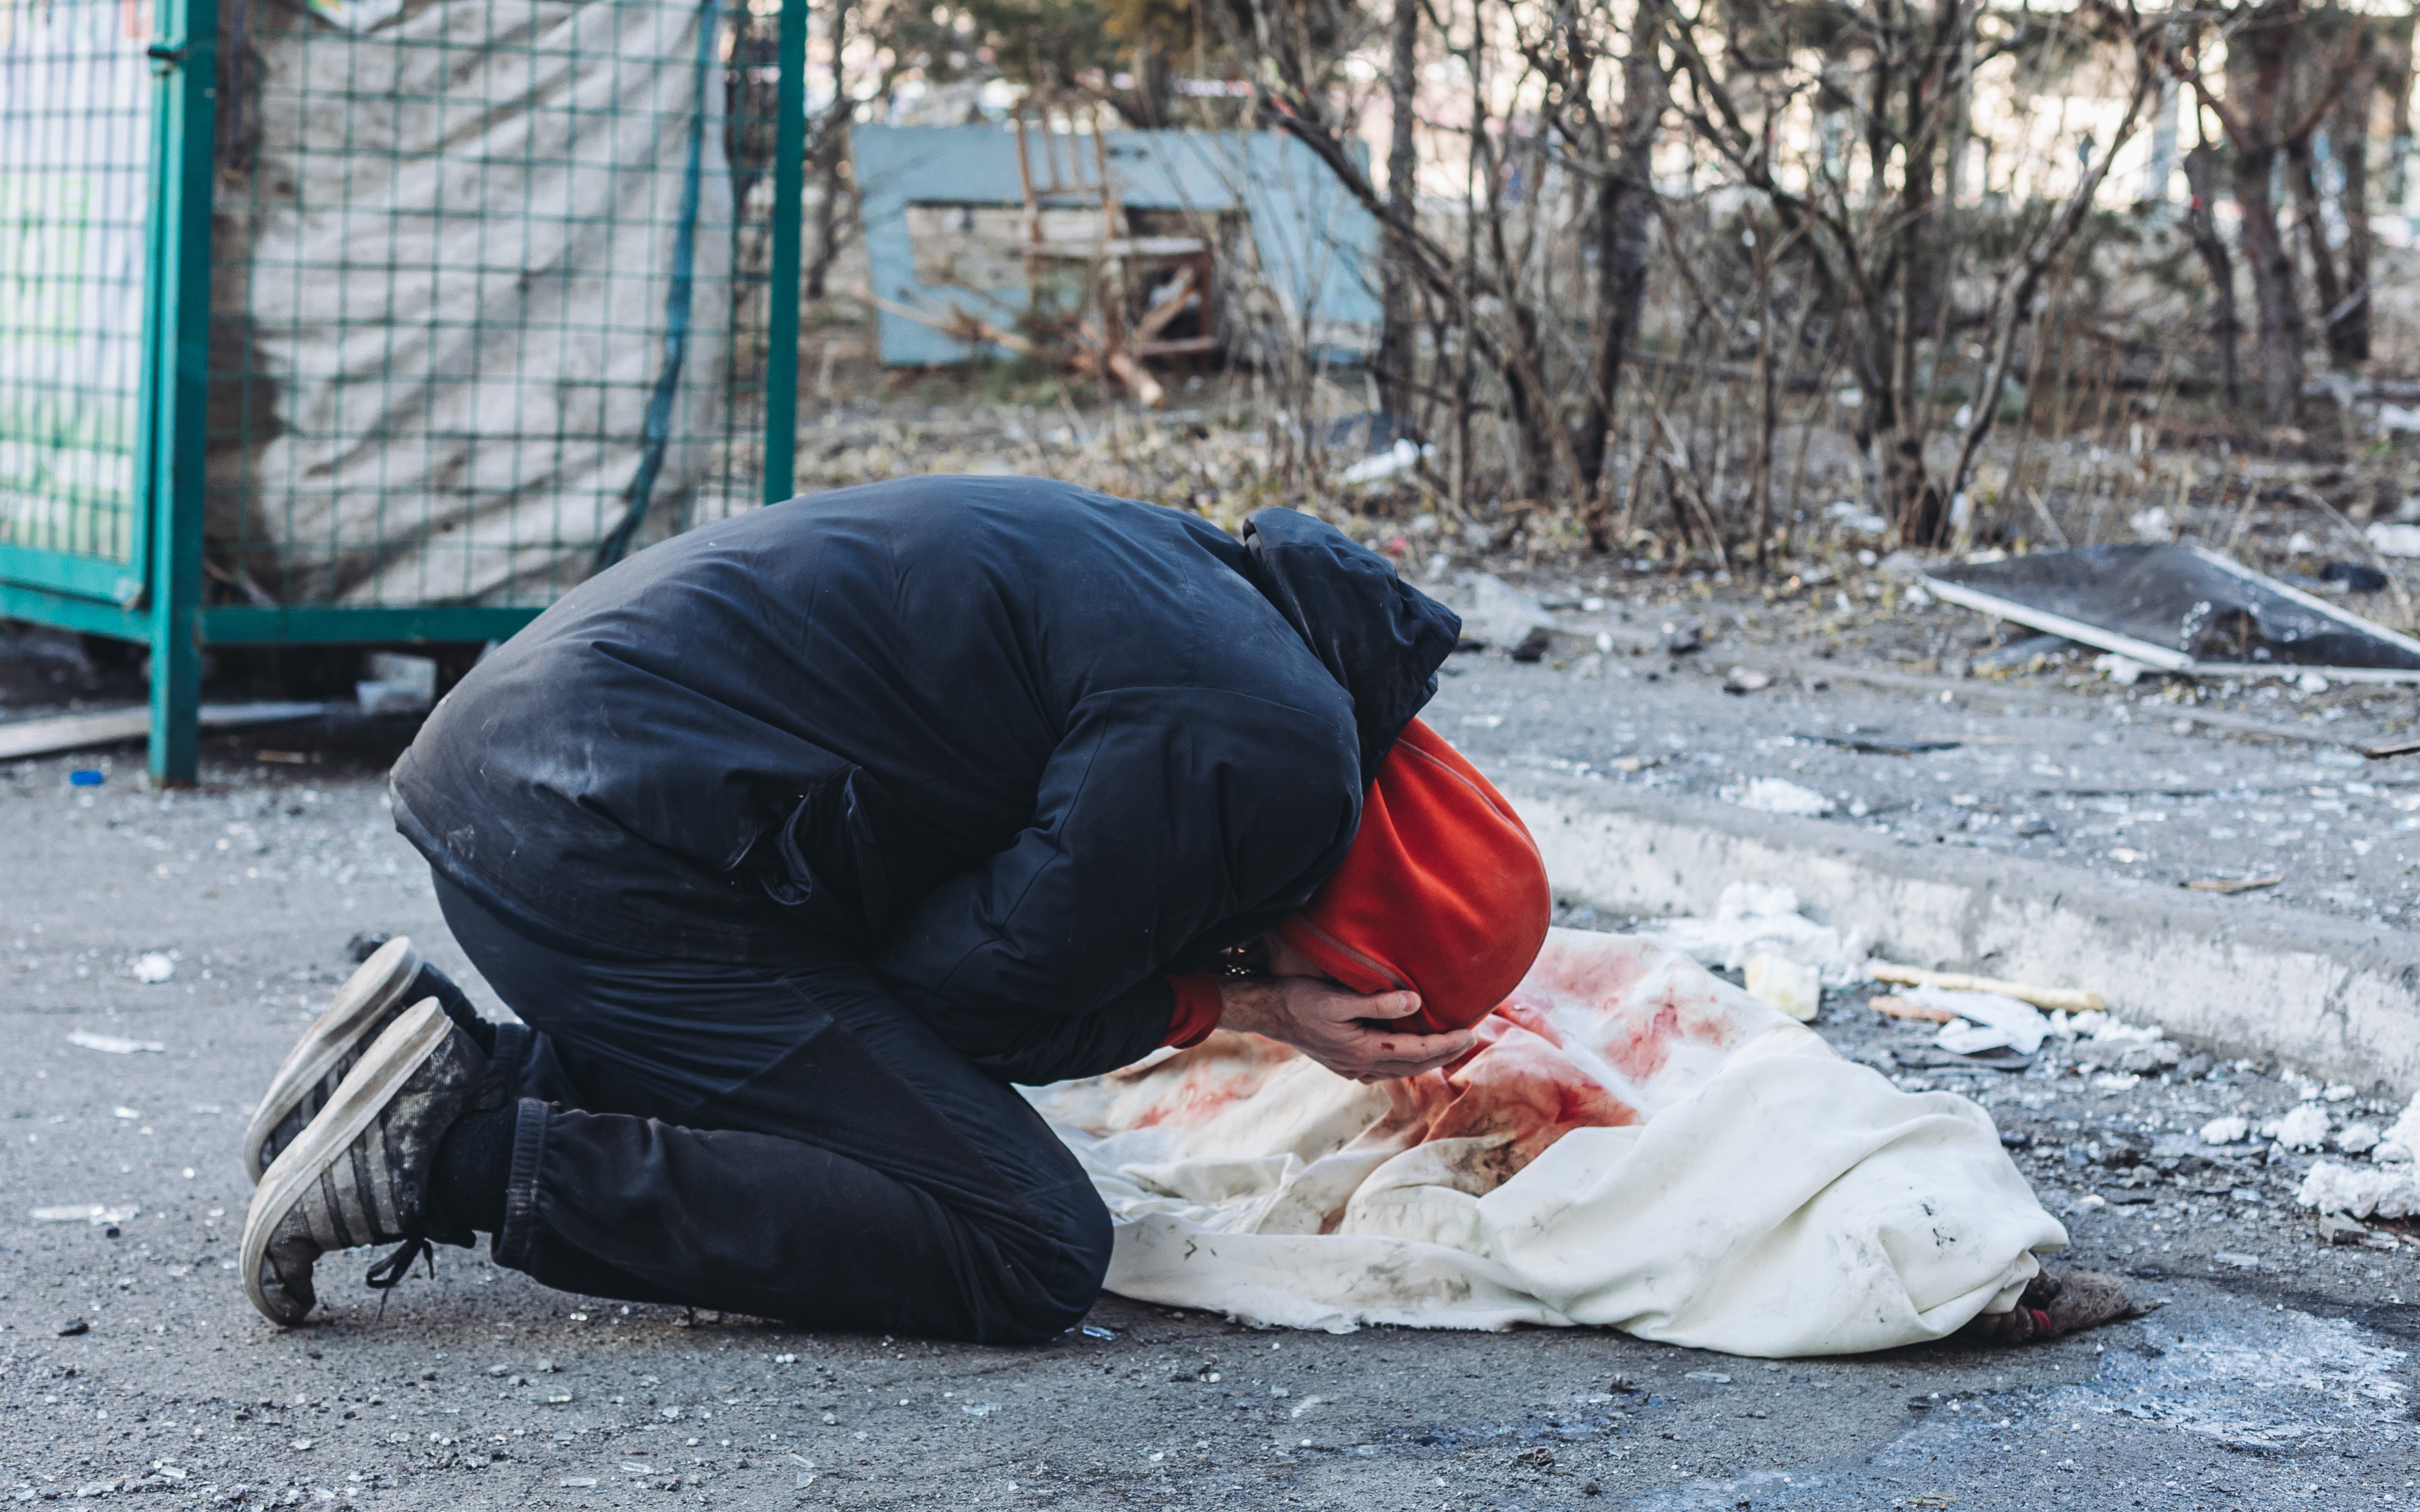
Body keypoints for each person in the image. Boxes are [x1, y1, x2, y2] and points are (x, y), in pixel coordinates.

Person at [233, 475, 1550, 1343]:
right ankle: (444, 1157)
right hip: (599, 843)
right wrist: (1233, 1001)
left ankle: (435, 1070)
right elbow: (962, 1001)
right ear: (1366, 954)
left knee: (864, 1082)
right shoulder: (1261, 752)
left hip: (554, 783)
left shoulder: (1247, 615)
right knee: (1029, 1240)